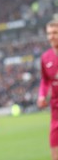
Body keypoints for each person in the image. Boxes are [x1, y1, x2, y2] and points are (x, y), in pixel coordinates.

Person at [37, 17, 58, 160]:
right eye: (49, 33)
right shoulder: (46, 57)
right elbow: (45, 80)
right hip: (55, 109)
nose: (51, 36)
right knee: (54, 148)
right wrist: (42, 95)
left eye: (55, 32)